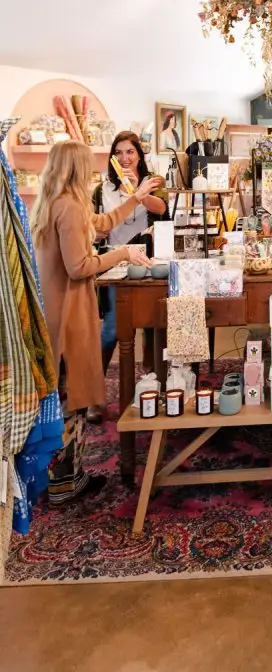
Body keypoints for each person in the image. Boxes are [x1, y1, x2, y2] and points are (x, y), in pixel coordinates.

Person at [32, 140, 162, 505]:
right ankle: (65, 480)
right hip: (70, 311)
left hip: (55, 310)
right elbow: (80, 267)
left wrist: (134, 198)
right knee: (69, 391)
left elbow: (102, 224)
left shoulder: (52, 204)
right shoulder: (70, 208)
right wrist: (122, 253)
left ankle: (59, 474)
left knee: (58, 391)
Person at [90, 131, 169, 422]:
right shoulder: (102, 190)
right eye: (119, 152)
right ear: (113, 156)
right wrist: (96, 231)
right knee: (111, 329)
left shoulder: (153, 182)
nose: (125, 158)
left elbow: (162, 209)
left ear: (139, 156)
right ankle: (94, 395)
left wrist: (138, 193)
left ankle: (150, 385)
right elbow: (93, 221)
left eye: (130, 152)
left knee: (151, 324)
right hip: (114, 261)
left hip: (147, 258)